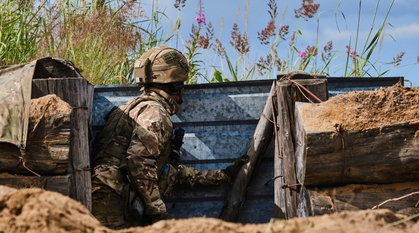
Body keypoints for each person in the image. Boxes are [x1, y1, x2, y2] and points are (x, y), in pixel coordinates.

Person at [91, 46, 248, 229]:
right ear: (175, 85)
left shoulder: (133, 109)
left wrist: (219, 176)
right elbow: (139, 160)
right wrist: (157, 210)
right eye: (181, 85)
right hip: (115, 207)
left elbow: (164, 171)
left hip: (109, 200)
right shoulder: (155, 113)